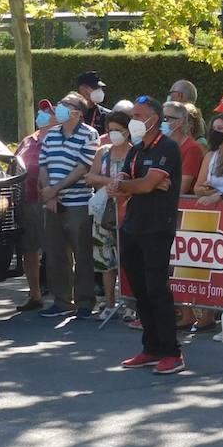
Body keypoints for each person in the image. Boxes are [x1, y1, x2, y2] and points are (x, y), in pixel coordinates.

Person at [111, 95, 186, 375]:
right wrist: (127, 184)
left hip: (156, 226)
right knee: (140, 290)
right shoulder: (136, 149)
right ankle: (151, 347)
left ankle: (172, 352)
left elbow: (146, 184)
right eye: (134, 116)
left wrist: (132, 185)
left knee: (157, 289)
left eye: (140, 116)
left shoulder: (166, 147)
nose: (134, 121)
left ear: (155, 119)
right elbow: (126, 182)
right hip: (132, 224)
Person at [38, 91, 100, 319]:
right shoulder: (51, 135)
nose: (58, 109)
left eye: (64, 105)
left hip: (79, 202)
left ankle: (85, 301)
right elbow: (43, 165)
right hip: (53, 203)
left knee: (82, 252)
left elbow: (83, 168)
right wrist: (49, 194)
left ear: (77, 112)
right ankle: (62, 300)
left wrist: (55, 189)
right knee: (55, 253)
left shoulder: (89, 135)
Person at [84, 110, 132, 320]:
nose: (113, 134)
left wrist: (121, 186)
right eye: (110, 130)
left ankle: (131, 305)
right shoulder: (102, 151)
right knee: (105, 260)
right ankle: (110, 303)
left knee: (128, 259)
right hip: (103, 213)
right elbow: (90, 176)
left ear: (128, 131)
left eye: (118, 130)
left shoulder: (134, 152)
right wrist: (109, 183)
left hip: (128, 211)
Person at [14, 100, 59, 311]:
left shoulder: (58, 141)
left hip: (49, 200)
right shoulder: (28, 140)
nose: (41, 115)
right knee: (29, 249)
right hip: (27, 200)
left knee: (57, 249)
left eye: (47, 112)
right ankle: (35, 295)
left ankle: (65, 298)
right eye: (41, 111)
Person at [162, 101, 204, 195]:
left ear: (180, 122)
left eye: (166, 118)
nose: (162, 122)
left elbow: (182, 188)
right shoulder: (161, 146)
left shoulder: (192, 148)